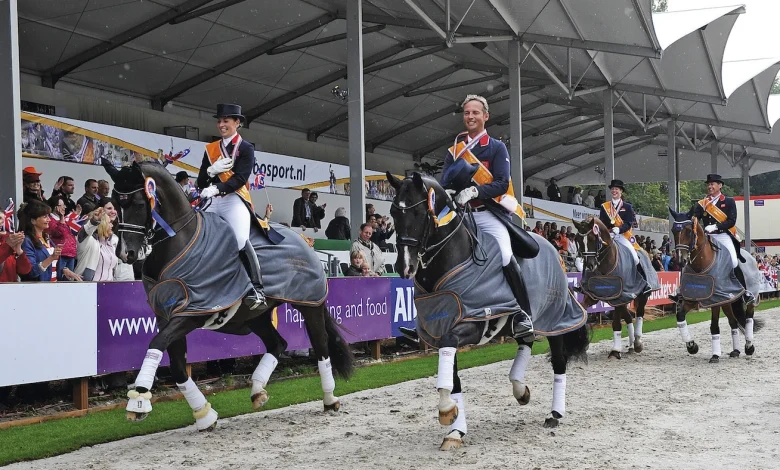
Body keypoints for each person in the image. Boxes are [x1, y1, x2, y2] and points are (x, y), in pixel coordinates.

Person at [441, 94, 533, 338]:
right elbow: (444, 182)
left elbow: (502, 183)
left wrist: (475, 191)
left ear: (485, 116)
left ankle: (523, 314)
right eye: (467, 113)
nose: (470, 117)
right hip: (461, 215)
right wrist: (449, 190)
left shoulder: (495, 147)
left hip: (486, 214)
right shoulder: (454, 150)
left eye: (475, 113)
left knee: (504, 254)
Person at [196, 103, 266, 309]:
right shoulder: (210, 149)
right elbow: (201, 182)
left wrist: (217, 188)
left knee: (240, 238)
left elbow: (241, 178)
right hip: (212, 198)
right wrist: (210, 171)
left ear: (237, 123)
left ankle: (256, 288)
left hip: (234, 198)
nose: (221, 124)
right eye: (219, 121)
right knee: (196, 234)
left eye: (226, 121)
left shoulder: (246, 148)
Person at [674, 173, 755, 305]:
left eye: (712, 184)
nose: (710, 186)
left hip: (723, 235)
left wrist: (716, 226)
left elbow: (731, 221)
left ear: (720, 185)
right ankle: (680, 291)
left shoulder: (728, 201)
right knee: (690, 259)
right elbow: (695, 219)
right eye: (708, 184)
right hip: (708, 237)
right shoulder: (702, 203)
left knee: (734, 261)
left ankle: (744, 292)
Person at [599, 179, 651, 294]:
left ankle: (643, 283)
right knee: (593, 252)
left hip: (622, 236)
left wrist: (619, 229)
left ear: (621, 191)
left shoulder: (627, 207)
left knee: (635, 257)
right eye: (612, 189)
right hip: (609, 235)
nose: (614, 191)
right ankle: (586, 281)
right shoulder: (604, 207)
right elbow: (602, 222)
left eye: (616, 189)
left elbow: (628, 223)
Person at [20, 200, 61, 282]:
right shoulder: (27, 241)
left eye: (48, 216)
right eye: (45, 217)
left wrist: (64, 270)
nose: (49, 219)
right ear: (33, 221)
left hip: (53, 285)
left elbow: (53, 265)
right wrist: (51, 258)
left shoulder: (46, 238)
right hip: (39, 289)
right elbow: (31, 272)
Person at [47, 197, 81, 281]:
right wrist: (62, 217)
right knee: (61, 280)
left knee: (69, 281)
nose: (64, 207)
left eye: (64, 205)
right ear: (55, 207)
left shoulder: (65, 219)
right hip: (60, 255)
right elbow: (59, 232)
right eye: (61, 205)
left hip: (70, 254)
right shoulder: (50, 220)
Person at [0, 214, 31, 282]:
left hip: (11, 289)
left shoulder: (7, 239)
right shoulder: (8, 243)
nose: (1, 222)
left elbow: (25, 270)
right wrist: (7, 246)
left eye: (2, 219)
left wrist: (19, 251)